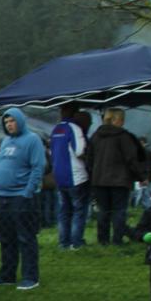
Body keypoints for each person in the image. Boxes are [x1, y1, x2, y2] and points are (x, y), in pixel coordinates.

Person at [0, 107, 47, 290]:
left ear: (20, 121)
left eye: (12, 121)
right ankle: (7, 275)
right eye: (6, 122)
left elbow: (38, 167)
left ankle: (30, 277)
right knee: (6, 238)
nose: (9, 124)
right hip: (1, 197)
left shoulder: (32, 140)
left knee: (26, 237)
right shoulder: (6, 141)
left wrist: (28, 192)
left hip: (21, 197)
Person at [85, 107, 145, 245]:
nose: (123, 122)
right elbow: (131, 159)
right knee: (119, 211)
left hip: (99, 180)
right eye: (122, 119)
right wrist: (141, 176)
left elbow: (89, 159)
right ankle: (117, 239)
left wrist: (94, 174)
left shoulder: (96, 136)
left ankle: (103, 240)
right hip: (120, 180)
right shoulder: (123, 137)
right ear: (116, 120)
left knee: (103, 211)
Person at [49, 103, 91, 249]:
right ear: (75, 113)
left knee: (64, 211)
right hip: (76, 176)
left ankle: (63, 242)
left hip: (59, 176)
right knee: (79, 211)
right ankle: (76, 242)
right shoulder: (74, 128)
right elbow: (80, 151)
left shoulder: (55, 129)